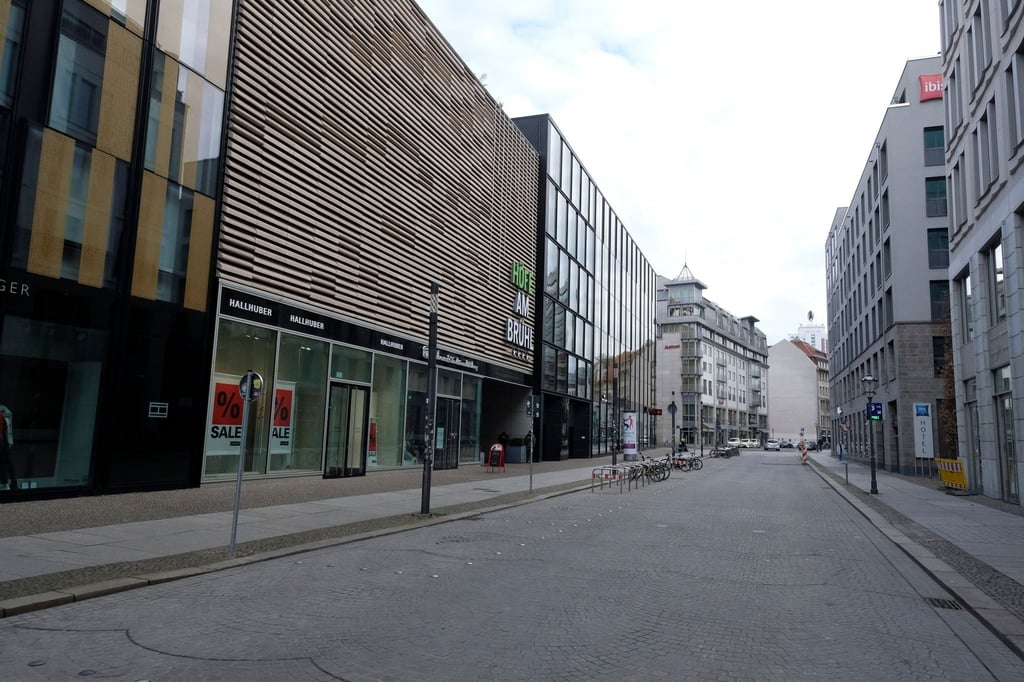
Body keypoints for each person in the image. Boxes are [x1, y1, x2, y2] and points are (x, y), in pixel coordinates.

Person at [0, 403, 16, 491]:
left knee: (6, 460)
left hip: (4, 440)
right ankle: (5, 483)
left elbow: (9, 415)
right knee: (3, 461)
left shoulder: (2, 409)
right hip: (3, 439)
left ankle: (11, 482)